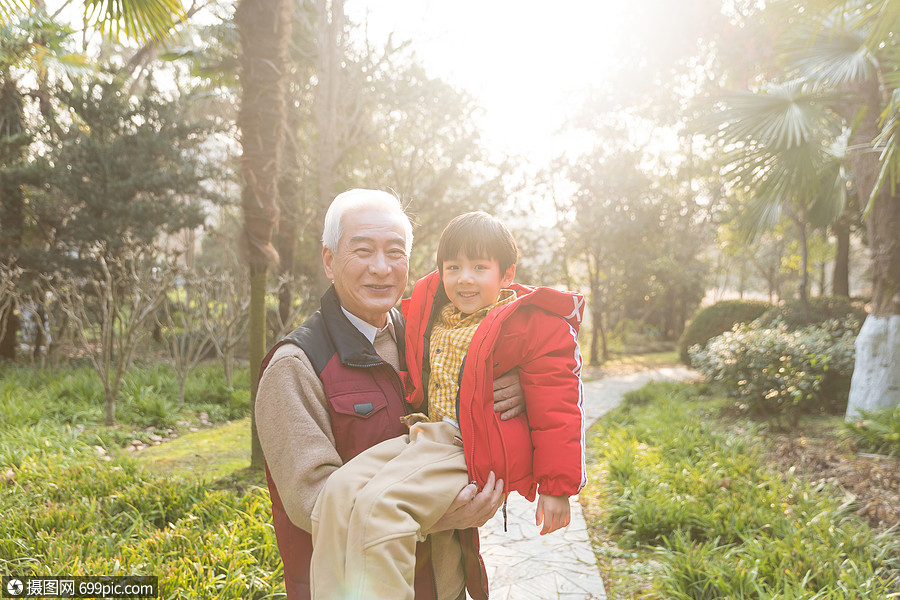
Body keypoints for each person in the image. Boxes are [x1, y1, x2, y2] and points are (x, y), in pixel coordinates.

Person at [255, 189, 526, 600]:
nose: (381, 268)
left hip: (446, 579)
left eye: (394, 252)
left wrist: (517, 390)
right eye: (362, 251)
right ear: (329, 261)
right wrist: (435, 511)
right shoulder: (296, 365)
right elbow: (314, 503)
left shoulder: (430, 337)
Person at [309, 211, 586, 600]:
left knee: (382, 508)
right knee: (337, 492)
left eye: (479, 266)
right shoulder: (434, 311)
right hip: (428, 434)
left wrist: (558, 487)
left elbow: (559, 406)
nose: (465, 278)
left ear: (506, 275)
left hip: (472, 446)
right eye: (453, 266)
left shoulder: (528, 325)